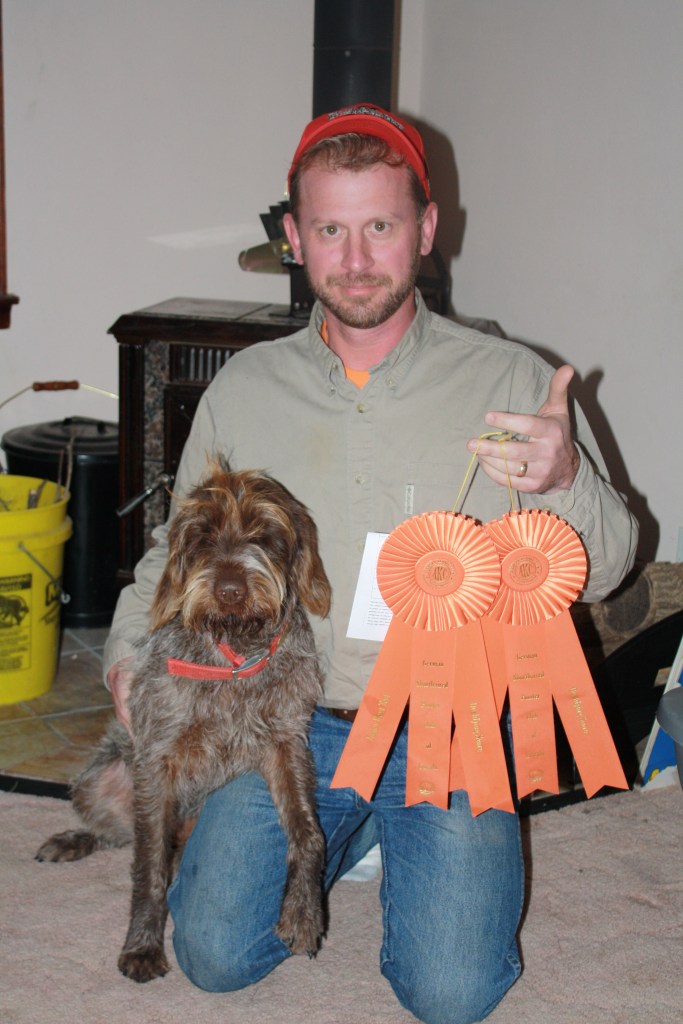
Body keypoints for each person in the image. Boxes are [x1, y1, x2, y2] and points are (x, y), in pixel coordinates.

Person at [104, 104, 638, 1024]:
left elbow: (610, 567)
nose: (354, 260)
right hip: (283, 721)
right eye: (330, 231)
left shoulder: (512, 379)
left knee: (453, 993)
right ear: (293, 239)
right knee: (213, 957)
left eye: (380, 227)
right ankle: (349, 834)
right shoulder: (244, 388)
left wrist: (564, 478)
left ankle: (383, 835)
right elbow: (176, 546)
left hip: (450, 725)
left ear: (426, 230)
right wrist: (123, 651)